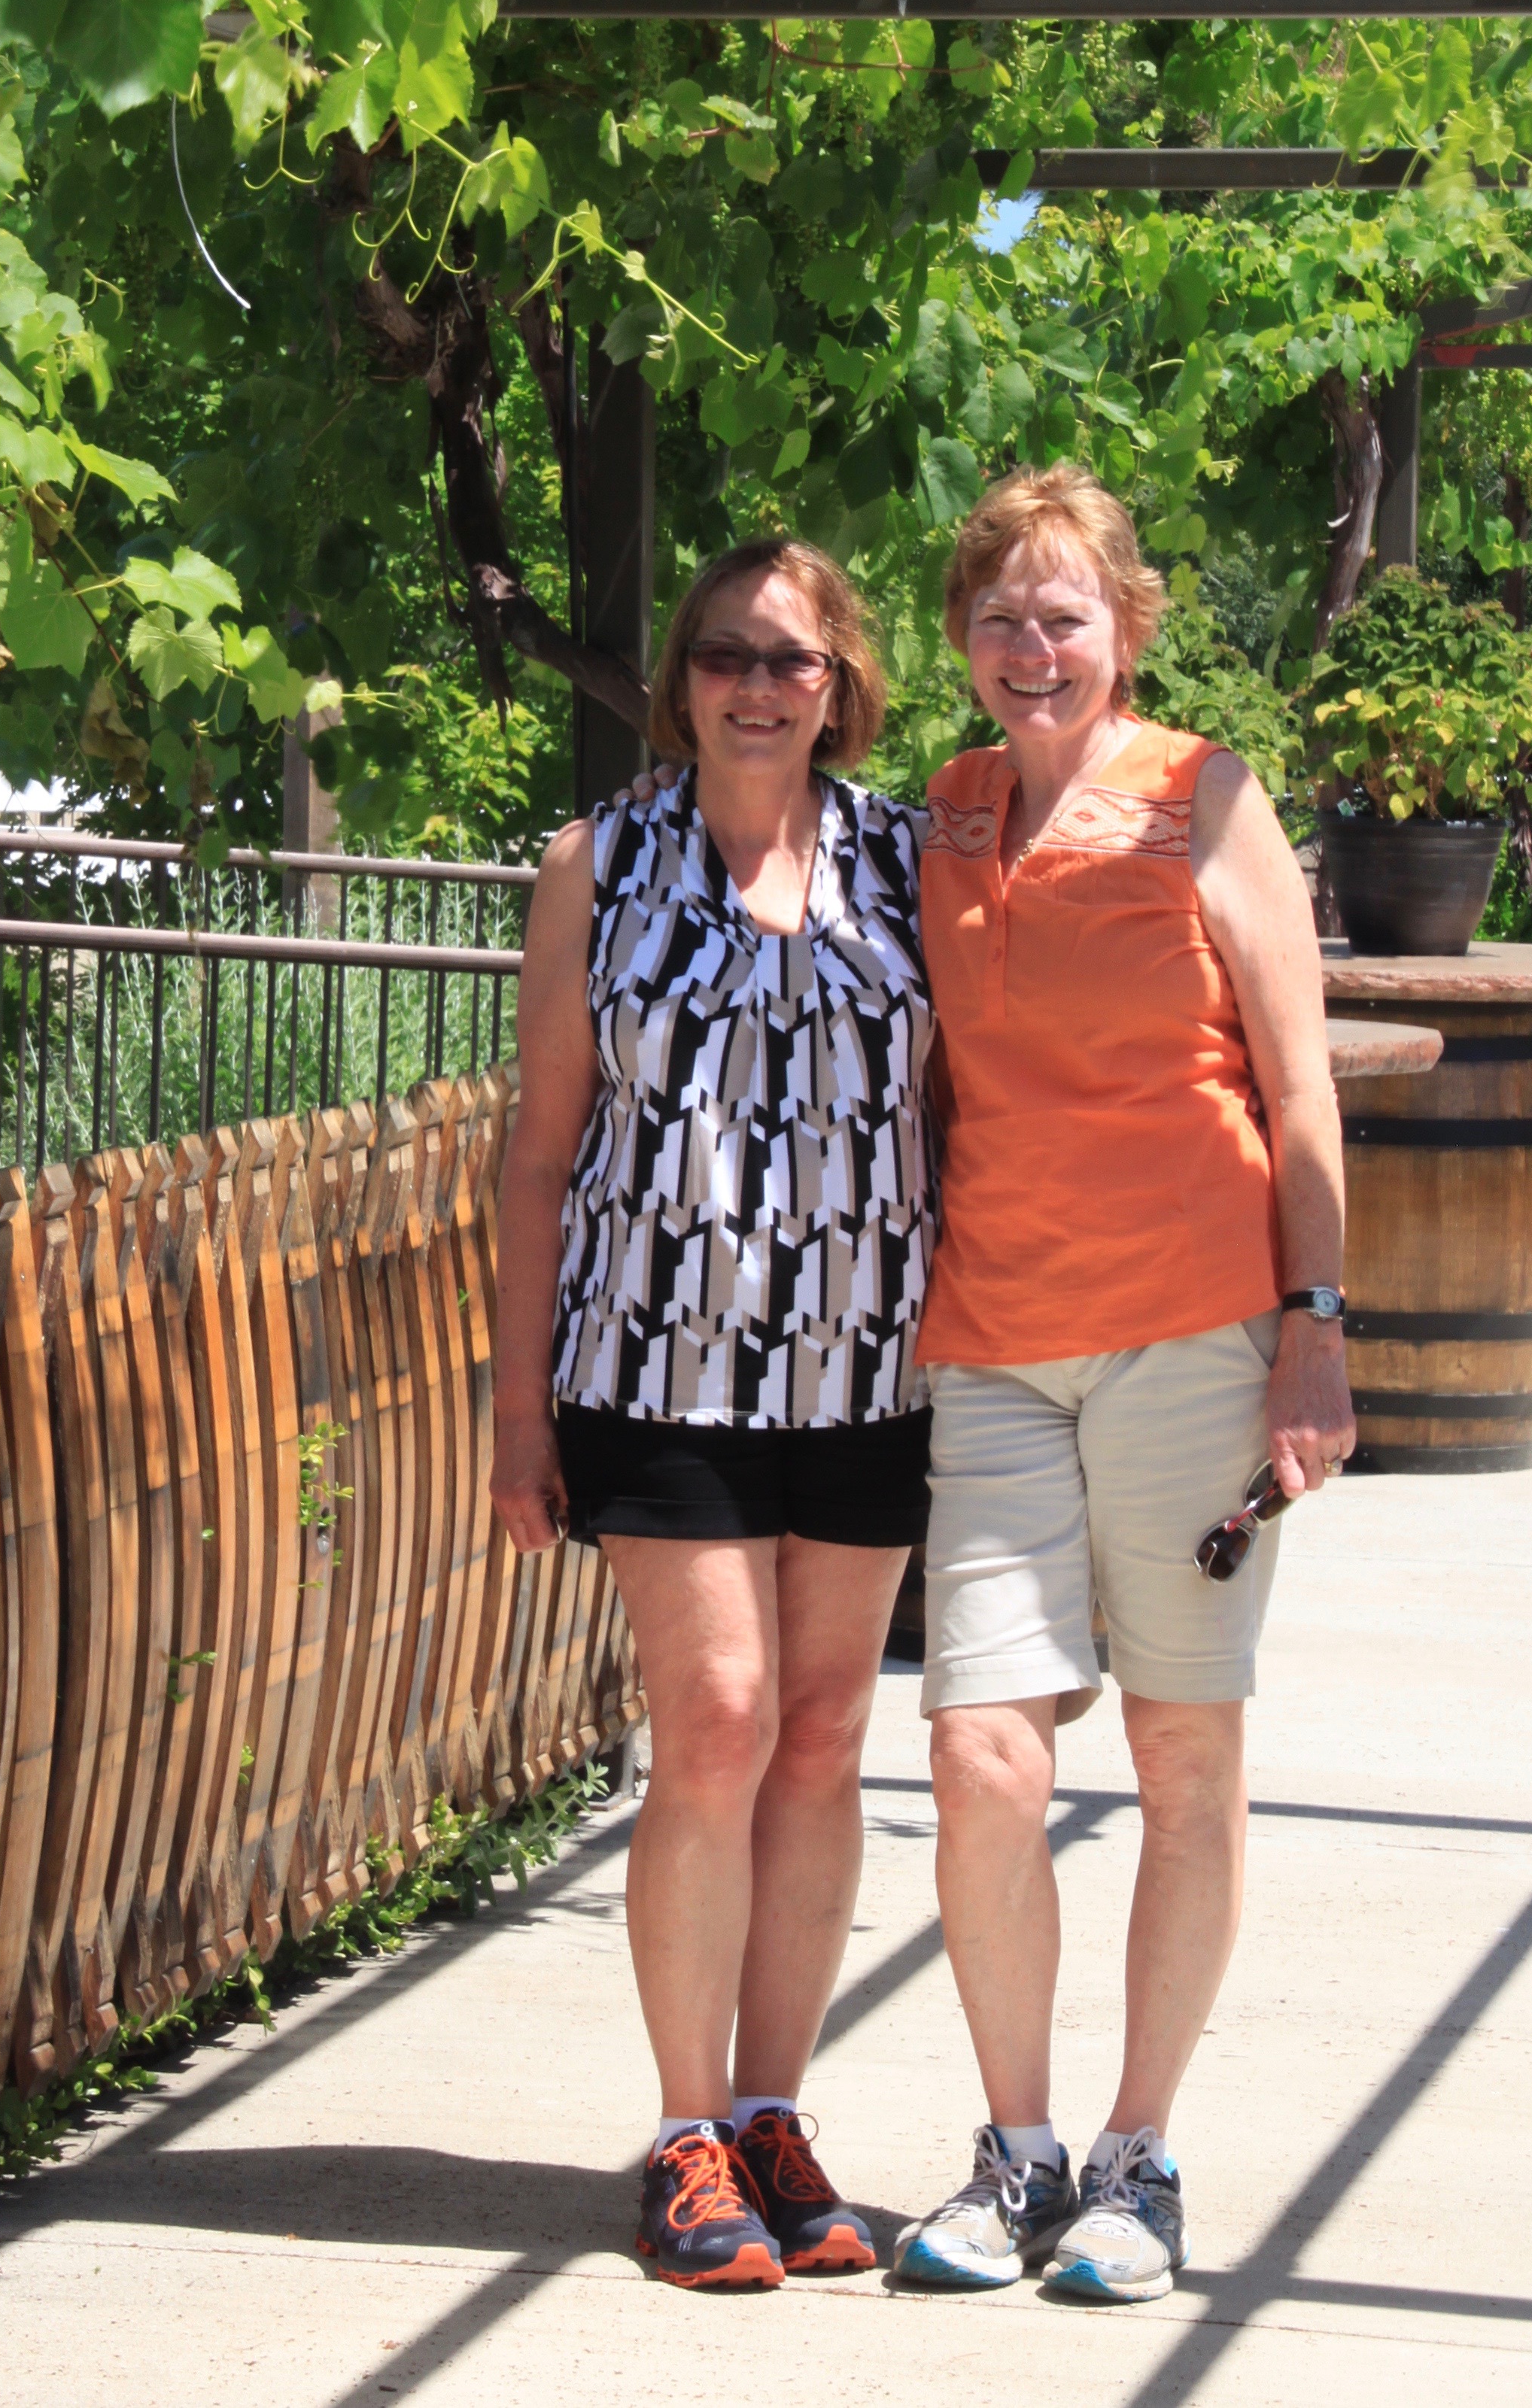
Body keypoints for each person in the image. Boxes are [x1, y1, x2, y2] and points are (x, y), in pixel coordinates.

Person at [893, 463, 1353, 2306]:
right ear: (962, 637)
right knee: (980, 1753)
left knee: (1182, 1747)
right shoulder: (941, 814)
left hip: (1193, 1327)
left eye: (1065, 615)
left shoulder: (1204, 797)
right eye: (1001, 615)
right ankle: (1018, 2151)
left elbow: (1300, 1085)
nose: (1034, 646)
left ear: (1127, 628)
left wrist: (1316, 1328)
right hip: (995, 1336)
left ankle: (1138, 2157)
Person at [491, 537, 936, 2291]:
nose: (758, 686)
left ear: (843, 685)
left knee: (823, 1733)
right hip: (656, 1360)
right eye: (727, 655)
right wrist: (517, 1409)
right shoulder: (596, 865)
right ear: (680, 680)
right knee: (722, 1720)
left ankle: (771, 2113)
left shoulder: (910, 861)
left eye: (792, 658)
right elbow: (540, 1156)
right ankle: (684, 2131)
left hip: (866, 1365)